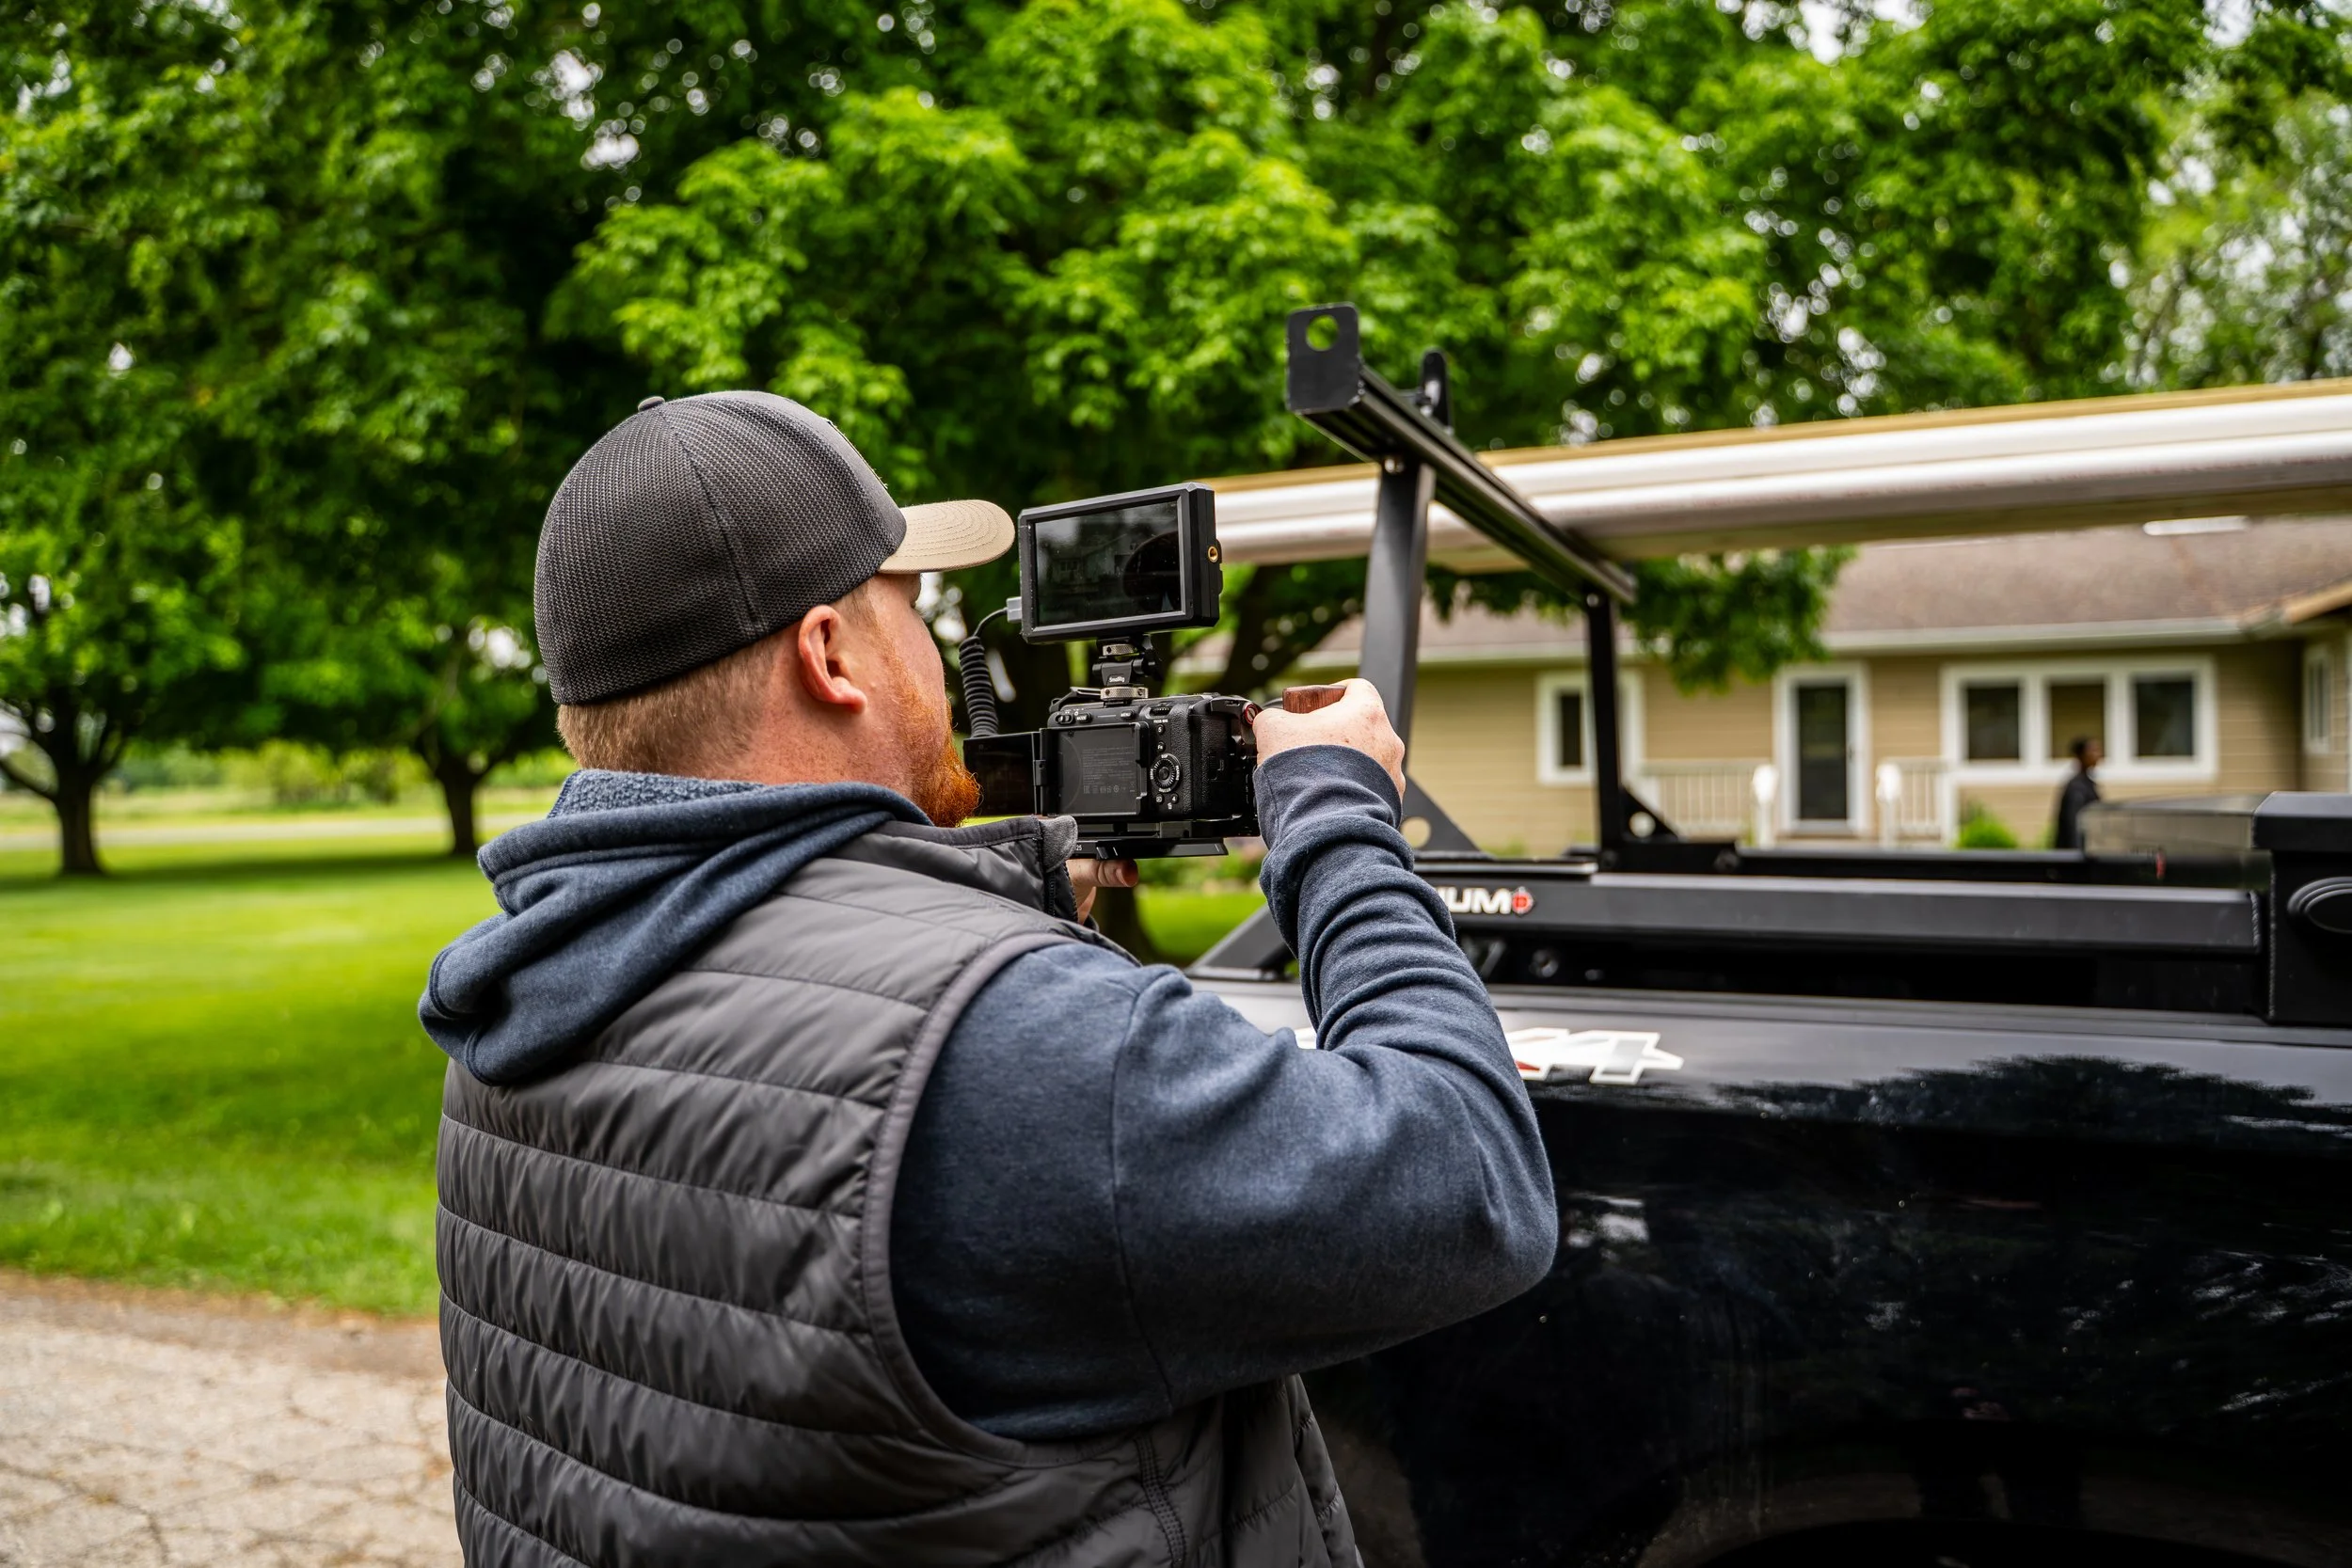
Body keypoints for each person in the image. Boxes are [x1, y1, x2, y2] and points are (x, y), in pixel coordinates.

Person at [419, 391, 1557, 1567]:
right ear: (830, 656)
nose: (935, 650)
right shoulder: (1023, 1044)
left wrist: (974, 914)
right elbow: (1471, 1180)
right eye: (911, 610)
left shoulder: (514, 999)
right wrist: (1336, 821)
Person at [2053, 735, 2104, 849]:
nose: (2098, 755)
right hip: (2076, 852)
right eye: (2093, 751)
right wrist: (2076, 853)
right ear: (2081, 755)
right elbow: (2073, 822)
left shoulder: (2088, 784)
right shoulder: (2076, 787)